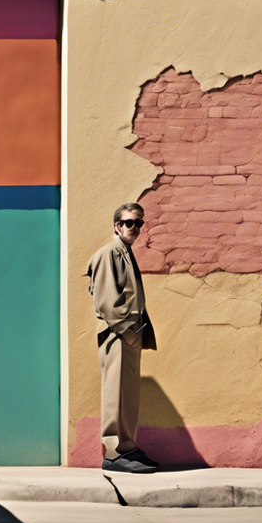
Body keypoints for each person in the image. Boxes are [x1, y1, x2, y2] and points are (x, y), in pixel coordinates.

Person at [87, 203, 160, 474]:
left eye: (139, 223)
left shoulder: (125, 252)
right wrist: (129, 335)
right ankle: (114, 453)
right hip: (117, 336)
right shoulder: (109, 253)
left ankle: (127, 447)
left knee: (127, 397)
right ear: (117, 226)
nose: (134, 228)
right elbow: (107, 303)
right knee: (115, 395)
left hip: (129, 336)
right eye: (129, 222)